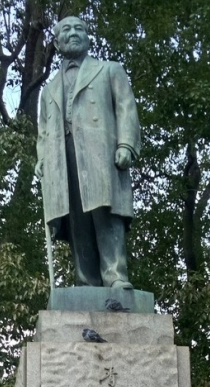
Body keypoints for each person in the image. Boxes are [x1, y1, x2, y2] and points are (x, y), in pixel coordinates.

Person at [35, 16, 141, 288]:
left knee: (105, 213)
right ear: (57, 43)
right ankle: (87, 281)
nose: (73, 33)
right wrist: (42, 159)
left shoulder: (109, 70)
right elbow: (44, 131)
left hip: (100, 153)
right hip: (62, 157)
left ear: (88, 38)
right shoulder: (49, 90)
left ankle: (115, 276)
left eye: (79, 28)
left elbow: (126, 107)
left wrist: (126, 144)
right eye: (66, 29)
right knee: (76, 220)